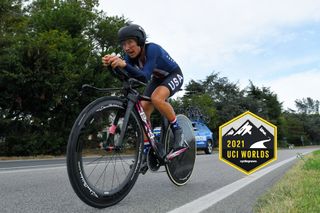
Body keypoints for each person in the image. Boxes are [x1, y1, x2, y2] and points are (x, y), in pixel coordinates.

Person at [102, 24, 187, 156]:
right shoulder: (129, 57)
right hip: (157, 79)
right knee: (142, 110)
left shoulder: (152, 49)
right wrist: (113, 65)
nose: (127, 48)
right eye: (123, 44)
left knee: (157, 98)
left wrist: (124, 64)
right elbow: (128, 75)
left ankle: (178, 131)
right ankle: (148, 148)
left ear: (140, 41)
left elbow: (144, 77)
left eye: (130, 42)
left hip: (174, 74)